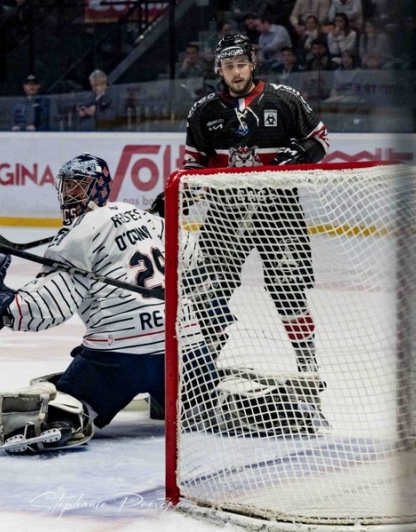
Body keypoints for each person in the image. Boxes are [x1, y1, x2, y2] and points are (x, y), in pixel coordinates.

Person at [0, 154, 167, 452]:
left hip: (119, 360)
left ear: (98, 188)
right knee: (200, 395)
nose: (68, 194)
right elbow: (197, 264)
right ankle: (187, 398)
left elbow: (44, 309)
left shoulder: (77, 237)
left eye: (78, 187)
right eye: (66, 186)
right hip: (178, 353)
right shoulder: (151, 220)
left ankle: (63, 421)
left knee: (60, 405)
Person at [177, 34, 329, 406]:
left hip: (280, 214)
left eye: (241, 64)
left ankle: (308, 368)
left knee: (289, 293)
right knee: (210, 292)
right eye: (228, 66)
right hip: (224, 217)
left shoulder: (284, 98)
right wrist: (185, 194)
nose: (235, 72)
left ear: (252, 63)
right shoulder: (204, 111)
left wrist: (301, 154)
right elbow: (194, 166)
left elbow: (320, 140)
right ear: (220, 69)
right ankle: (202, 376)